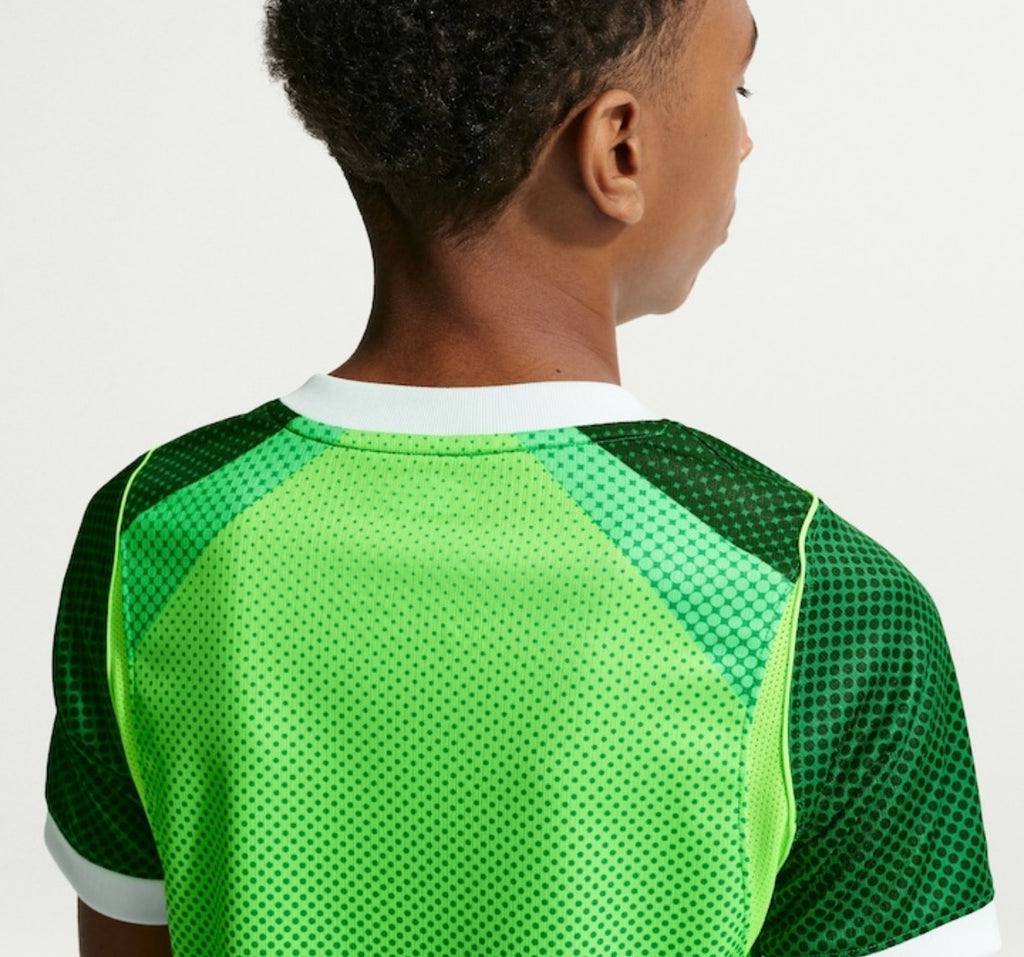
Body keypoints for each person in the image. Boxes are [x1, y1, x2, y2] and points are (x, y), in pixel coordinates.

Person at [43, 0, 1003, 954]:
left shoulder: (151, 534)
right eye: (738, 88)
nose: (745, 140)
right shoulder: (821, 603)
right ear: (618, 148)